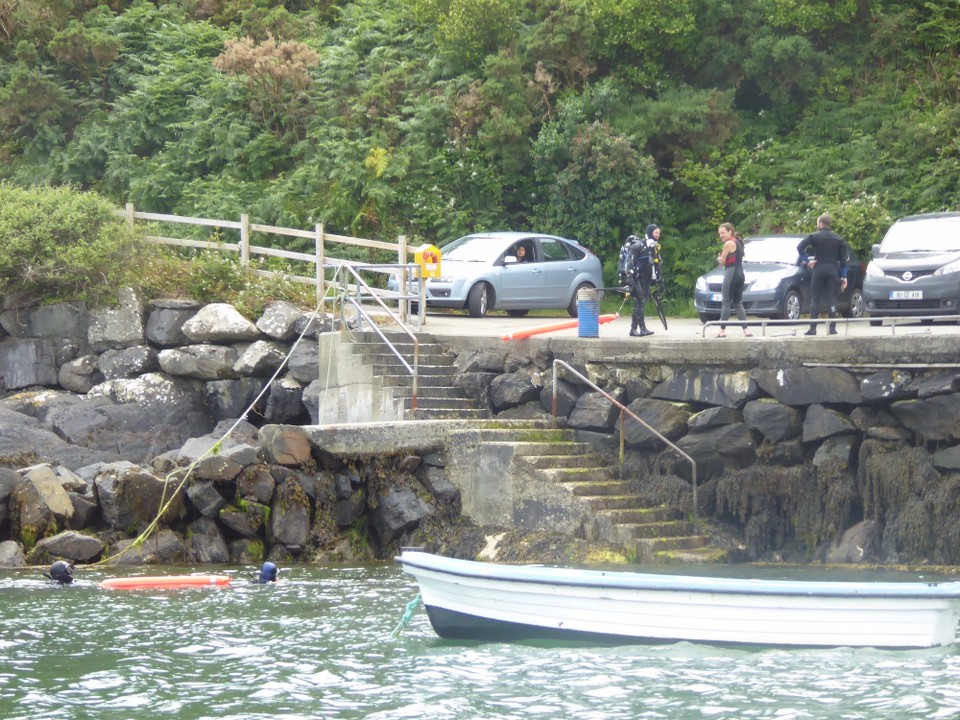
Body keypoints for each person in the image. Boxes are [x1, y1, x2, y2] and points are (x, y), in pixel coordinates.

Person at [797, 213, 849, 336]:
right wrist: (844, 276)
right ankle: (832, 328)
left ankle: (813, 328)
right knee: (832, 298)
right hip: (832, 270)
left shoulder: (814, 236)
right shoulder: (838, 239)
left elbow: (800, 247)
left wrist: (807, 261)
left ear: (821, 223)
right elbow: (843, 260)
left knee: (815, 298)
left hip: (818, 269)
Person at [619, 224, 660, 337]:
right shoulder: (638, 246)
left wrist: (657, 276)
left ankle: (633, 329)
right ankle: (642, 328)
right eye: (656, 233)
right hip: (634, 278)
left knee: (639, 302)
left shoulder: (653, 247)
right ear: (650, 232)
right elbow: (629, 263)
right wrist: (630, 279)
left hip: (644, 279)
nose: (658, 235)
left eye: (659, 233)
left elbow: (655, 263)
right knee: (641, 301)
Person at [715, 222, 752, 338]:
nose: (721, 235)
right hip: (740, 274)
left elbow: (723, 262)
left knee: (726, 302)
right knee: (738, 303)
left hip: (731, 273)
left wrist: (718, 258)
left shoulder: (728, 243)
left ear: (730, 231)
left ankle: (722, 331)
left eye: (723, 232)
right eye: (719, 233)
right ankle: (746, 331)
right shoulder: (738, 242)